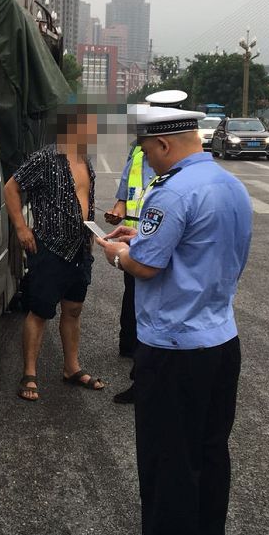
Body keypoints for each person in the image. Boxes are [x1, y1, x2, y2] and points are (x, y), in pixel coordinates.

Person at [95, 104, 252, 535]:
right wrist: (140, 239)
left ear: (163, 144)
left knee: (168, 462)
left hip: (173, 349)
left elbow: (145, 267)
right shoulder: (231, 184)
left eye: (147, 150)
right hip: (221, 339)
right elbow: (200, 248)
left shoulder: (171, 191)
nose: (146, 158)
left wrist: (118, 253)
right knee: (210, 452)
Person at [5, 104, 105, 401]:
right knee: (40, 311)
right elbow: (11, 188)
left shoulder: (85, 159)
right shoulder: (45, 158)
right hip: (49, 247)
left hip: (79, 249)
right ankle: (30, 373)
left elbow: (83, 198)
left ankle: (71, 368)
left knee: (73, 310)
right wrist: (22, 230)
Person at [105, 89, 189, 405]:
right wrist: (122, 214)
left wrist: (120, 257)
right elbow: (128, 188)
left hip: (148, 242)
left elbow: (146, 266)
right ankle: (138, 358)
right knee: (140, 303)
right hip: (139, 233)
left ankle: (147, 379)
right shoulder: (141, 154)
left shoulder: (178, 176)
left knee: (153, 307)